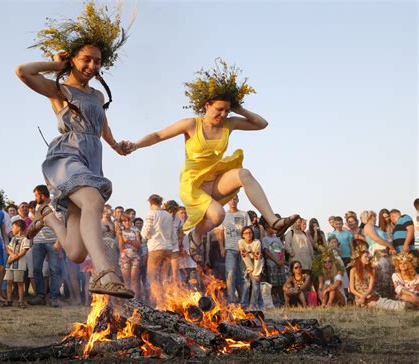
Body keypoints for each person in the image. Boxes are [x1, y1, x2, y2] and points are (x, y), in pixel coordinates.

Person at [125, 59, 299, 266]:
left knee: (243, 173)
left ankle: (273, 220)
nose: (223, 114)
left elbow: (262, 124)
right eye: (219, 109)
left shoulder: (229, 124)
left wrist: (239, 109)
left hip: (215, 178)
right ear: (206, 105)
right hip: (194, 183)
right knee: (217, 216)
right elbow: (158, 135)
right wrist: (135, 145)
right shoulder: (192, 124)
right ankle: (195, 238)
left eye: (227, 110)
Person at [15, 3, 134, 298]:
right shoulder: (60, 91)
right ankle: (105, 273)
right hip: (67, 155)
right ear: (74, 59)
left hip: (92, 159)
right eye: (86, 60)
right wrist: (59, 66)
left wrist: (116, 145)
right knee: (93, 201)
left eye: (97, 61)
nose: (92, 66)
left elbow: (102, 124)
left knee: (76, 251)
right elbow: (22, 71)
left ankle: (48, 216)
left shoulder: (95, 94)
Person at [27, 185, 62, 307]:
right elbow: (36, 223)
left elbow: (61, 224)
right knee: (36, 269)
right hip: (38, 241)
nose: (35, 198)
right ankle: (40, 297)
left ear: (42, 195)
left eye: (36, 195)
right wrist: (31, 238)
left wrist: (59, 241)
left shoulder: (55, 205)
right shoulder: (38, 206)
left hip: (53, 242)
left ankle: (53, 298)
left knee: (54, 270)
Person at [140, 194, 176, 307]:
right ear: (160, 203)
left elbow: (145, 232)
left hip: (155, 248)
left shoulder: (151, 214)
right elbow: (174, 236)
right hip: (168, 248)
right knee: (165, 277)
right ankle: (167, 302)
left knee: (152, 277)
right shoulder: (168, 215)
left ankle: (159, 303)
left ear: (150, 203)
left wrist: (146, 236)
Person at [216, 195, 251, 305]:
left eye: (235, 199)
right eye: (230, 199)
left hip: (243, 249)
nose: (233, 201)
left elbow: (249, 231)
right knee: (230, 274)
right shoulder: (224, 215)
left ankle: (244, 302)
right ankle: (231, 302)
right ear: (227, 201)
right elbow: (220, 232)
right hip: (230, 249)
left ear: (238, 200)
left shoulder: (244, 214)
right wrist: (222, 247)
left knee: (244, 276)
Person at [361, 210, 395, 298]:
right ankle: (382, 298)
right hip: (378, 252)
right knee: (382, 275)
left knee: (388, 274)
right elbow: (375, 238)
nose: (375, 218)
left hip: (385, 251)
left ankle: (390, 296)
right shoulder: (368, 226)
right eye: (374, 216)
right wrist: (390, 246)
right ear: (369, 217)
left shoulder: (375, 227)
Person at [2, 219, 31, 308]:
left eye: (13, 227)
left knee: (19, 283)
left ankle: (21, 301)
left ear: (19, 228)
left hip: (19, 265)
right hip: (10, 265)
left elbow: (23, 251)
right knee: (9, 282)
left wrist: (13, 258)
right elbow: (8, 248)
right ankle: (9, 300)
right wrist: (13, 255)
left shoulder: (25, 239)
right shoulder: (13, 239)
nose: (12, 229)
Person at [238, 226, 264, 311]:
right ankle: (244, 305)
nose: (248, 234)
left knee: (256, 282)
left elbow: (257, 258)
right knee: (246, 283)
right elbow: (244, 257)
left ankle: (253, 306)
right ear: (242, 235)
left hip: (257, 262)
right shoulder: (241, 242)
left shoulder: (257, 242)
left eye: (250, 233)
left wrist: (256, 273)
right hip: (245, 263)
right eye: (246, 233)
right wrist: (250, 269)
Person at [117, 213, 141, 299]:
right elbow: (120, 247)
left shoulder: (135, 232)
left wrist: (129, 241)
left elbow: (138, 245)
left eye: (128, 220)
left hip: (135, 256)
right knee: (126, 281)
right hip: (125, 257)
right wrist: (120, 236)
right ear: (122, 222)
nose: (127, 222)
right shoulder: (120, 232)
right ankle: (127, 301)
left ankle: (135, 300)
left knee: (134, 279)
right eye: (124, 221)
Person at [262, 225, 286, 306]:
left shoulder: (277, 238)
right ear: (267, 228)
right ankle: (275, 301)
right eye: (272, 228)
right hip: (272, 264)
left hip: (280, 263)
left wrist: (282, 259)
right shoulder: (265, 239)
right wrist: (276, 261)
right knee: (274, 284)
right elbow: (266, 251)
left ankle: (282, 301)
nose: (274, 229)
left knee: (281, 283)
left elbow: (282, 249)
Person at [163, 200, 184, 284]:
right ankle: (164, 292)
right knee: (164, 272)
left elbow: (181, 233)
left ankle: (176, 292)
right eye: (169, 211)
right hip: (164, 248)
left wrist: (178, 239)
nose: (171, 214)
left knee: (175, 272)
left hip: (174, 248)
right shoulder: (162, 218)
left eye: (173, 211)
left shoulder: (179, 220)